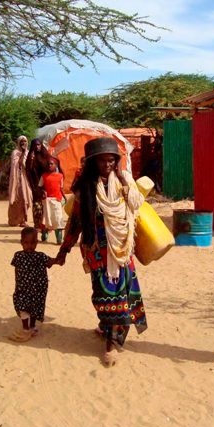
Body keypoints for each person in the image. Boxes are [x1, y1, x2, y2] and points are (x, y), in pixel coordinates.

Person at [56, 137, 147, 367]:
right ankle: (108, 330)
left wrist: (126, 183)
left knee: (120, 296)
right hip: (97, 251)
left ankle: (110, 342)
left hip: (121, 251)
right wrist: (64, 250)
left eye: (111, 160)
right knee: (104, 296)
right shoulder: (85, 188)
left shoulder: (124, 185)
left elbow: (136, 210)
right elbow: (76, 221)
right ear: (93, 163)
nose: (107, 165)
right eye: (102, 161)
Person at [8, 227, 59, 342]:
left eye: (32, 243)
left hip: (38, 289)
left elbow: (50, 261)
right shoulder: (18, 256)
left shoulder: (40, 256)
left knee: (35, 307)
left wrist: (59, 259)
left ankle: (32, 326)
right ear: (21, 243)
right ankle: (25, 328)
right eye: (26, 242)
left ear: (37, 242)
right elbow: (16, 270)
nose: (29, 245)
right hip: (22, 288)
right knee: (23, 307)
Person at [39, 157, 66, 244]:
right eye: (48, 164)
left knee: (58, 218)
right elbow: (39, 187)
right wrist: (43, 192)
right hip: (47, 201)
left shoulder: (60, 176)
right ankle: (44, 236)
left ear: (56, 165)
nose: (49, 165)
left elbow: (61, 188)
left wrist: (64, 198)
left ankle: (59, 239)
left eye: (51, 164)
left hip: (57, 200)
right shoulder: (43, 176)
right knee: (46, 218)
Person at [7, 135, 32, 227]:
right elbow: (20, 164)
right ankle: (13, 220)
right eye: (21, 141)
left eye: (25, 141)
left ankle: (23, 220)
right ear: (18, 143)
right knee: (17, 199)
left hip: (26, 179)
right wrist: (23, 152)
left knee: (27, 198)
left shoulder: (28, 153)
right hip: (17, 179)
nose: (23, 143)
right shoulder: (15, 153)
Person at [26, 138, 50, 233]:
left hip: (46, 184)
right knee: (37, 205)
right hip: (36, 184)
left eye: (39, 145)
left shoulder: (46, 156)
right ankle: (37, 225)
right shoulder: (30, 157)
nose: (37, 147)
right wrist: (30, 160)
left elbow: (51, 167)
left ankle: (46, 225)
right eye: (35, 145)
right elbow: (28, 170)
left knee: (47, 206)